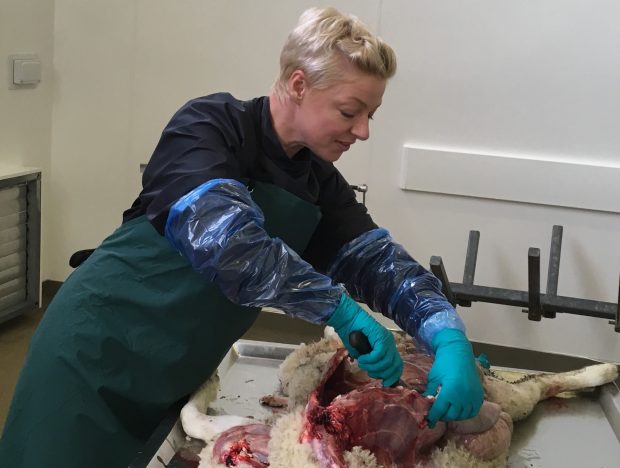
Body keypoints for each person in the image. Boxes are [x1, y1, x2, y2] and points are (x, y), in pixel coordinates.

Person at [0, 7, 483, 467]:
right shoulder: (209, 127)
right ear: (299, 84)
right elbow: (229, 244)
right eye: (349, 111)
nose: (362, 131)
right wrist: (339, 308)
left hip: (174, 369)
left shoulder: (319, 184)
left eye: (370, 115)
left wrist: (446, 335)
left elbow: (380, 265)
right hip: (93, 355)